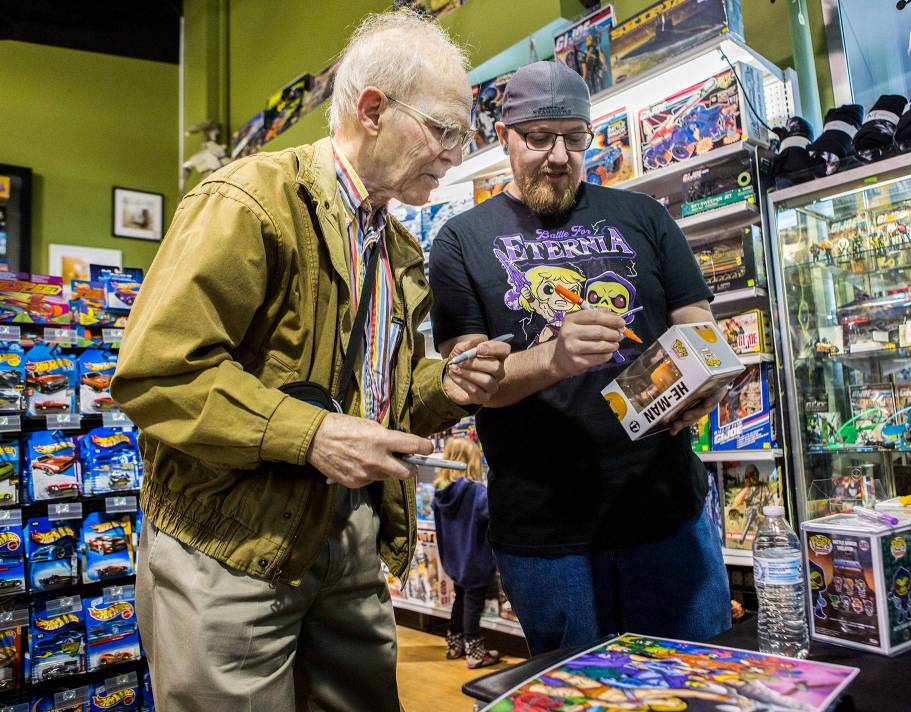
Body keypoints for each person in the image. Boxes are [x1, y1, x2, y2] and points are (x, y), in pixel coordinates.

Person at [111, 11, 511, 711]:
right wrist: (315, 436)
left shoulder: (398, 248)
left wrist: (447, 382)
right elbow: (159, 372)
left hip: (347, 542)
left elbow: (374, 395)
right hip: (230, 548)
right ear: (372, 110)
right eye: (443, 131)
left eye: (462, 135)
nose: (454, 153)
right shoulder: (248, 200)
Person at [428, 61, 732, 655]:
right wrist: (552, 359)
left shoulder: (644, 216)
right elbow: (469, 381)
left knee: (701, 684)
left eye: (575, 137)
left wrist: (708, 378)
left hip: (667, 512)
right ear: (505, 137)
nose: (559, 155)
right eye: (539, 139)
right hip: (547, 534)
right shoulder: (460, 240)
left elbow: (697, 323)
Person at [431, 437, 501, 669]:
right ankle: (475, 652)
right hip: (476, 562)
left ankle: (455, 644)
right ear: (471, 462)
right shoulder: (477, 493)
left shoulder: (440, 493)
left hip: (454, 562)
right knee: (473, 605)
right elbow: (493, 515)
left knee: (459, 600)